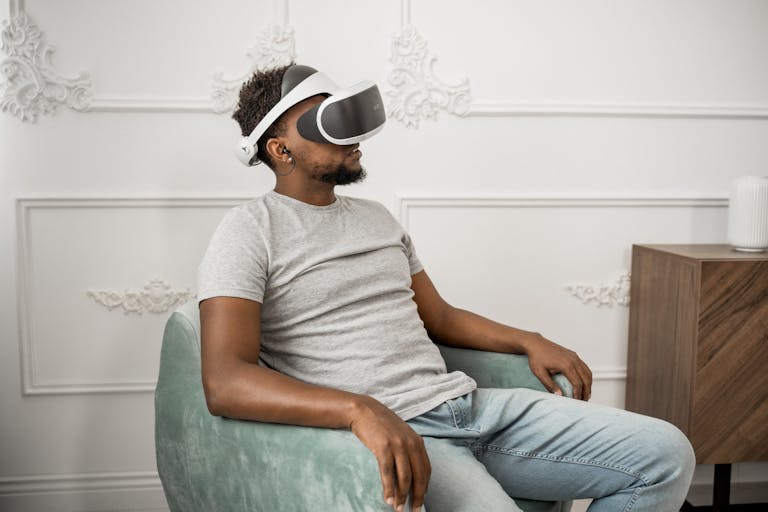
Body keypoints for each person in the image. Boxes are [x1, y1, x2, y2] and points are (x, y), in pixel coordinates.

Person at [197, 64, 695, 512]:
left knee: (666, 456)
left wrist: (528, 339)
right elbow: (226, 381)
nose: (352, 139)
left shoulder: (378, 219)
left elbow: (439, 317)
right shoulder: (248, 231)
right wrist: (359, 409)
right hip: (403, 432)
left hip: (469, 407)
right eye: (326, 127)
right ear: (280, 149)